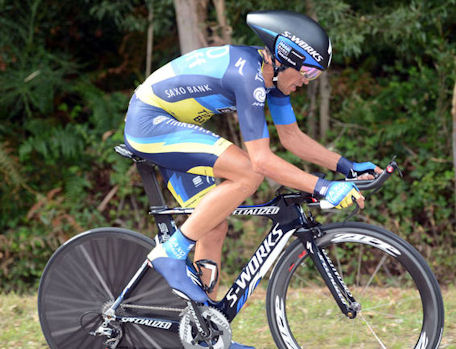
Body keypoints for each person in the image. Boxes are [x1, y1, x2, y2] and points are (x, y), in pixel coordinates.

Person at [124, 9, 381, 348]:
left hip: (169, 125)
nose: (307, 80)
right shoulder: (247, 75)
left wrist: (346, 167)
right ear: (286, 58)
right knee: (246, 170)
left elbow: (291, 139)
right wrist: (324, 188)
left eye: (315, 76)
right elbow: (260, 160)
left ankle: (206, 334)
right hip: (150, 122)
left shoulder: (272, 79)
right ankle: (170, 253)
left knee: (212, 224)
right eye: (307, 72)